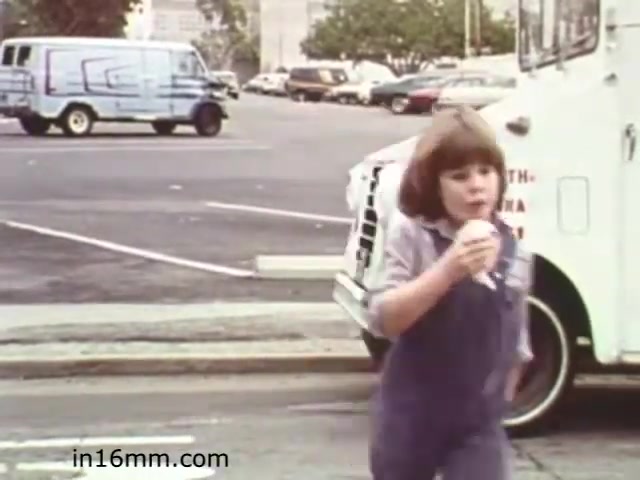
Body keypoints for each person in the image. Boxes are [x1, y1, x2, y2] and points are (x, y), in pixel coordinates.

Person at [366, 106, 534, 480]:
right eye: (459, 176)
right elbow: (383, 319)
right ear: (433, 184)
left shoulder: (515, 250)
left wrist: (499, 398)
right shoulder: (412, 235)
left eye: (486, 172)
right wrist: (449, 269)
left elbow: (516, 339)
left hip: (476, 423)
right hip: (411, 415)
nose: (477, 185)